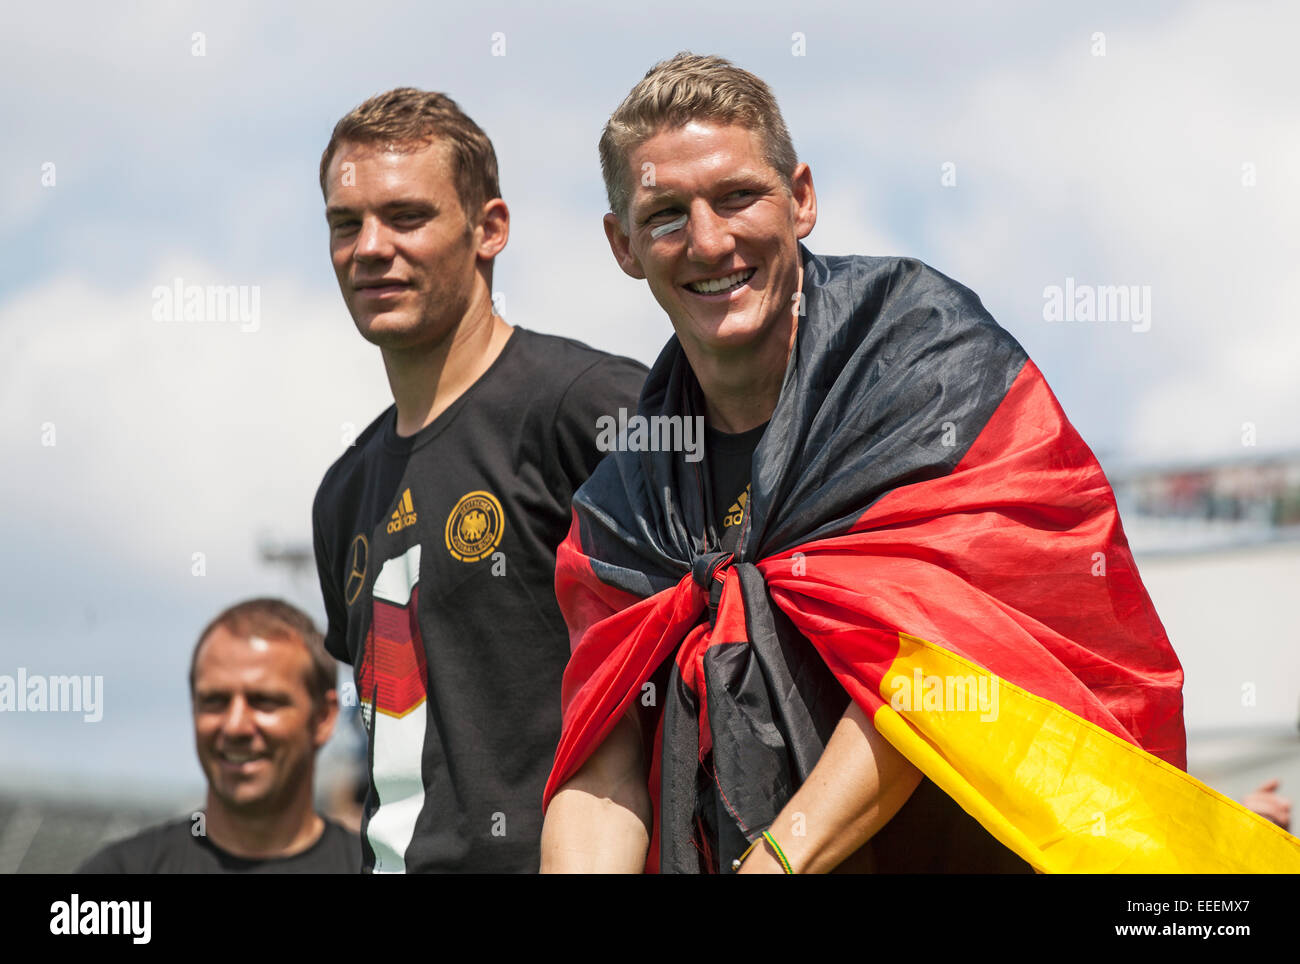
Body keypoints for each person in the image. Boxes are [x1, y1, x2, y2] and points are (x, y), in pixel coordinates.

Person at [539, 53, 1300, 873]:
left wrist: (775, 864)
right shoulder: (624, 507)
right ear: (622, 244)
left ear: (801, 200)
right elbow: (602, 769)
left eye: (737, 197)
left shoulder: (921, 365)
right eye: (664, 215)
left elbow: (936, 676)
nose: (709, 239)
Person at [312, 88, 647, 873]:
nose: (369, 247)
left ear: (489, 229)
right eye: (344, 223)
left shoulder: (591, 409)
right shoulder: (343, 493)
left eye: (406, 217)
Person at [80, 598, 360, 873]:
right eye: (215, 700)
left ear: (324, 717)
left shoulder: (378, 870)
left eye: (263, 700)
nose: (235, 726)